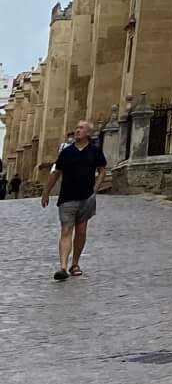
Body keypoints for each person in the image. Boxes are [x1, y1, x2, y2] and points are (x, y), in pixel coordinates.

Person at [42, 120, 108, 280]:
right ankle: (63, 267)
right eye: (77, 128)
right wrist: (46, 192)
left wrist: (95, 189)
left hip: (86, 197)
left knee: (81, 231)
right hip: (67, 197)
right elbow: (56, 173)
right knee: (66, 230)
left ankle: (75, 263)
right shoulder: (66, 152)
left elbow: (102, 170)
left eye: (81, 128)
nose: (77, 130)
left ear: (88, 133)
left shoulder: (95, 151)